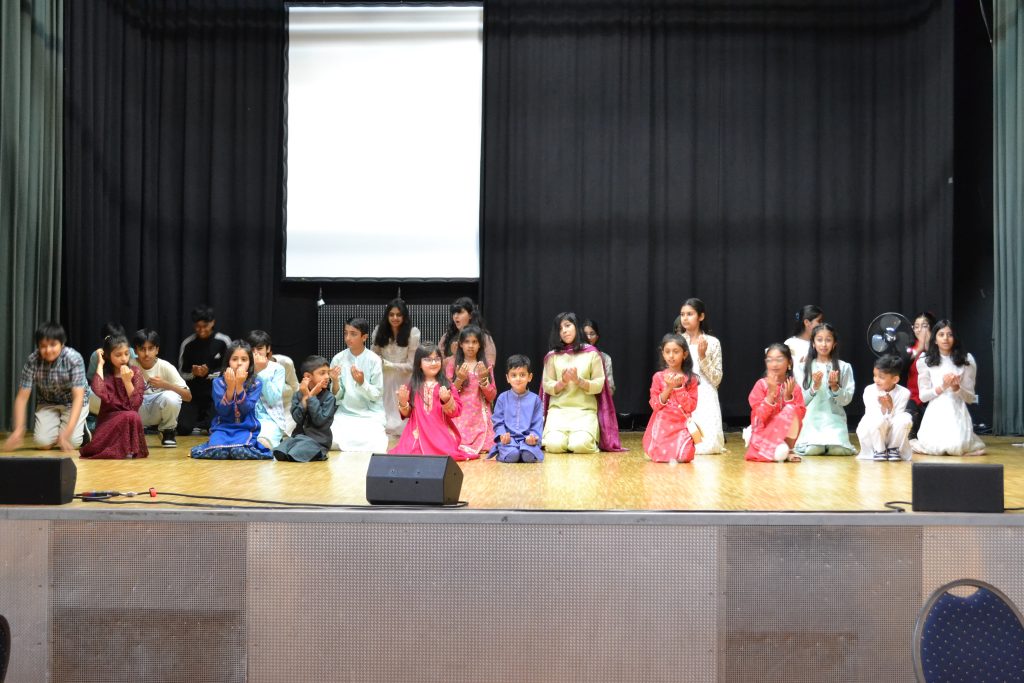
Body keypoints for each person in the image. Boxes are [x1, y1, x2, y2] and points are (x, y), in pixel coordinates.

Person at [540, 312, 622, 453]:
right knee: (554, 445)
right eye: (560, 328)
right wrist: (562, 382)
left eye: (567, 325)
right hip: (558, 412)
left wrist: (578, 381)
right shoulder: (552, 356)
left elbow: (599, 385)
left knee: (580, 445)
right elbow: (547, 386)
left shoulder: (592, 353)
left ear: (576, 327)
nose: (564, 331)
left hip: (584, 412)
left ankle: (581, 439)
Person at [3, 322, 89, 452]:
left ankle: (82, 429)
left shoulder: (74, 358)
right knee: (42, 443)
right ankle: (59, 428)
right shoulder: (33, 361)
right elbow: (21, 398)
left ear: (62, 344)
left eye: (53, 345)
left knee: (72, 441)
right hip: (47, 402)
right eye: (43, 346)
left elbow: (78, 397)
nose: (48, 350)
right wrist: (19, 429)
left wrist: (67, 432)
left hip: (72, 402)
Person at [910, 320, 986, 456]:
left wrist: (956, 388)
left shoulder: (966, 360)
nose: (945, 338)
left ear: (955, 338)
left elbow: (970, 398)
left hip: (957, 411)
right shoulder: (925, 360)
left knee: (956, 445)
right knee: (935, 447)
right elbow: (923, 396)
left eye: (950, 335)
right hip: (935, 412)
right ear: (935, 339)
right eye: (941, 335)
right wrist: (943, 386)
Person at [190, 340, 272, 460]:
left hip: (245, 428)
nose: (239, 363)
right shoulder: (218, 382)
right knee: (218, 452)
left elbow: (246, 409)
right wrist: (230, 388)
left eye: (244, 359)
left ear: (250, 362)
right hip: (222, 428)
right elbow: (222, 411)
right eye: (234, 359)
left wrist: (239, 386)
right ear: (228, 361)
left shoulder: (256, 383)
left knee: (239, 451)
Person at [80, 334, 148, 459]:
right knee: (130, 416)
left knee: (132, 415)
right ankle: (118, 448)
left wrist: (127, 381)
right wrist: (100, 363)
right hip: (108, 419)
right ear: (108, 356)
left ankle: (127, 448)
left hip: (129, 415)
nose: (124, 358)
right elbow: (99, 391)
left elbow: (135, 405)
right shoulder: (106, 374)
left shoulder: (135, 371)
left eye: (126, 354)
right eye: (118, 355)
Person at [389, 344, 462, 456]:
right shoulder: (413, 386)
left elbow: (456, 412)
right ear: (419, 363)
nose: (433, 363)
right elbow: (407, 414)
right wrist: (403, 403)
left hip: (440, 433)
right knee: (409, 452)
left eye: (437, 359)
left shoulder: (447, 385)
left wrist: (447, 400)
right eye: (428, 360)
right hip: (417, 433)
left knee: (446, 453)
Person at [794, 323, 855, 456]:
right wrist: (814, 387)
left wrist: (835, 387)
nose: (823, 344)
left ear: (834, 344)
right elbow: (800, 401)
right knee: (813, 450)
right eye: (819, 340)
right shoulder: (802, 368)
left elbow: (846, 400)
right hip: (811, 420)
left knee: (838, 451)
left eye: (828, 340)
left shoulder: (844, 367)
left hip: (834, 419)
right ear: (813, 343)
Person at [674, 298, 725, 454]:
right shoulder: (678, 341)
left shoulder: (713, 342)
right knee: (681, 444)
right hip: (683, 394)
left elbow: (717, 379)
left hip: (706, 394)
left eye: (690, 314)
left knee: (709, 446)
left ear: (701, 316)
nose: (685, 318)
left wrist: (703, 357)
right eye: (682, 314)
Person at [329, 318, 388, 453]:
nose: (348, 338)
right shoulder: (338, 359)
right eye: (346, 333)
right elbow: (337, 396)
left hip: (370, 413)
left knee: (376, 445)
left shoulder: (374, 359)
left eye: (353, 334)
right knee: (332, 441)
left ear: (364, 337)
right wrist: (335, 381)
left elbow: (376, 394)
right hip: (346, 413)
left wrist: (362, 383)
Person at [744, 343, 806, 463]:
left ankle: (790, 449)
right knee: (780, 453)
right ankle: (775, 450)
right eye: (770, 360)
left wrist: (788, 398)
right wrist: (770, 395)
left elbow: (799, 417)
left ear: (789, 363)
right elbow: (760, 417)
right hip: (764, 435)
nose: (774, 364)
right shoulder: (761, 385)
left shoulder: (795, 388)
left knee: (792, 409)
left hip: (785, 438)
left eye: (779, 360)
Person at [642, 334, 699, 463]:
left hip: (682, 425)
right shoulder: (658, 377)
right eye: (667, 352)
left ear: (684, 354)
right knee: (659, 457)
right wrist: (668, 388)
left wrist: (679, 388)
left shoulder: (691, 379)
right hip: (662, 426)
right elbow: (655, 405)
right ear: (663, 354)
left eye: (676, 352)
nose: (671, 356)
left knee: (684, 456)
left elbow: (690, 407)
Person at [177, 305, 231, 435]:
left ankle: (208, 422)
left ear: (212, 322)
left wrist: (209, 373)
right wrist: (193, 373)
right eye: (197, 326)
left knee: (213, 428)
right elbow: (180, 373)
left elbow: (230, 369)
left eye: (205, 326)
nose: (201, 330)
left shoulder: (223, 341)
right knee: (183, 428)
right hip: (194, 395)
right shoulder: (187, 344)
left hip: (217, 394)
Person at [132, 329, 191, 447]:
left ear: (157, 350)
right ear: (135, 351)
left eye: (150, 348)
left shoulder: (165, 366)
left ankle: (167, 431)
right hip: (136, 409)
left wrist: (166, 385)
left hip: (157, 409)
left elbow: (188, 396)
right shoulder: (129, 365)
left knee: (172, 396)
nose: (147, 353)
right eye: (142, 349)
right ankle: (130, 430)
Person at [445, 325, 497, 459]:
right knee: (453, 443)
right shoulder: (453, 364)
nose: (470, 346)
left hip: (479, 415)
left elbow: (491, 397)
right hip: (459, 414)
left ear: (480, 345)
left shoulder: (485, 365)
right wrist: (459, 379)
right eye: (467, 342)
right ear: (460, 344)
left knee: (488, 446)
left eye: (474, 342)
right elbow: (446, 395)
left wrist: (483, 379)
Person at [371, 298, 420, 436]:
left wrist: (391, 365)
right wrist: (379, 362)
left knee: (401, 417)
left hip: (404, 378)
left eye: (399, 315)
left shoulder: (412, 333)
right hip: (383, 377)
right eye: (391, 314)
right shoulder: (379, 331)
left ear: (404, 316)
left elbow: (412, 365)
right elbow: (374, 355)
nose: (395, 318)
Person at [273, 355, 337, 462]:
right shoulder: (298, 394)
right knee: (280, 450)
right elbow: (298, 419)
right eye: (322, 373)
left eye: (328, 373)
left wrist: (311, 397)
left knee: (297, 451)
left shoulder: (329, 398)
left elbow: (319, 421)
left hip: (318, 440)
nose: (327, 377)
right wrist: (305, 397)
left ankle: (318, 454)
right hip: (299, 437)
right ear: (308, 376)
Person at [856, 354, 913, 461]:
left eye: (881, 377)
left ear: (895, 379)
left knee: (905, 418)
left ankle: (893, 449)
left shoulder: (904, 393)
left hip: (893, 433)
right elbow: (872, 417)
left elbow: (897, 419)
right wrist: (883, 408)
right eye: (875, 375)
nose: (876, 380)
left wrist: (890, 408)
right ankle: (879, 450)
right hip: (874, 433)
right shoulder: (869, 390)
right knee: (876, 419)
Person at [488, 354, 544, 463]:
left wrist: (533, 437)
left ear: (530, 377)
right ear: (507, 378)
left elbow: (537, 423)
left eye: (522, 375)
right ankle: (504, 452)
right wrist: (502, 435)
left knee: (528, 456)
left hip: (527, 441)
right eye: (513, 375)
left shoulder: (535, 399)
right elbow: (498, 421)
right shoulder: (502, 398)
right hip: (509, 441)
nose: (518, 379)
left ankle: (524, 450)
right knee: (513, 455)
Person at [247, 330, 289, 450]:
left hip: (269, 419)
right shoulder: (244, 366)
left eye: (260, 348)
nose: (255, 353)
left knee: (262, 444)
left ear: (268, 349)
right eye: (252, 349)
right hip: (246, 417)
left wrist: (260, 371)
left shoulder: (277, 369)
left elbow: (273, 399)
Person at [438, 297, 496, 366]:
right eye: (454, 313)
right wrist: (454, 356)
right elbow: (439, 364)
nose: (455, 316)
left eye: (460, 312)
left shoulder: (484, 337)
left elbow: (490, 364)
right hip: (451, 373)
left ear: (470, 315)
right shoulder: (447, 337)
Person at [905, 311, 937, 436]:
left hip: (934, 395)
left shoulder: (940, 346)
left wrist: (927, 345)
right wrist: (919, 348)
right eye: (916, 326)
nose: (919, 330)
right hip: (913, 397)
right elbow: (901, 366)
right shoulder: (910, 347)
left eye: (924, 326)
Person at [784, 305, 824, 388]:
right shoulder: (790, 343)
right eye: (819, 321)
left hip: (817, 390)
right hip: (795, 391)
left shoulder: (821, 344)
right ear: (807, 322)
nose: (822, 325)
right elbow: (785, 370)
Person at [582, 319, 615, 395]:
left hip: (598, 398)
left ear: (597, 337)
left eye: (592, 334)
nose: (588, 337)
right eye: (585, 334)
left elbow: (610, 387)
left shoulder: (605, 358)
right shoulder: (575, 355)